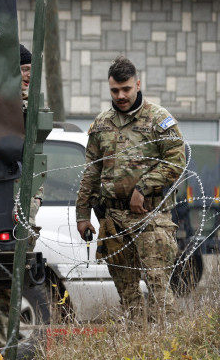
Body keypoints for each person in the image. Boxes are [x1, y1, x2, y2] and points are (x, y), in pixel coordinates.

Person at [75, 56, 185, 322]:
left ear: (137, 84)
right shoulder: (101, 124)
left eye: (126, 89)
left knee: (159, 288)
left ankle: (173, 349)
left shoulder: (159, 120)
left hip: (150, 218)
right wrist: (82, 214)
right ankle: (138, 349)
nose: (121, 95)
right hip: (114, 220)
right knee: (127, 293)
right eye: (115, 90)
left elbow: (176, 161)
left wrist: (143, 188)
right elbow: (91, 171)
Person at [0, 45, 44, 351]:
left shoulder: (31, 106)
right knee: (0, 278)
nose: (28, 77)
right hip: (2, 198)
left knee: (9, 280)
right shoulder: (1, 106)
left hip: (25, 198)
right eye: (22, 70)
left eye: (32, 71)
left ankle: (6, 349)